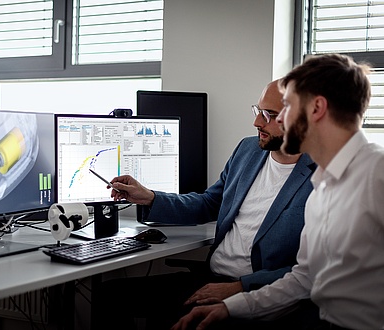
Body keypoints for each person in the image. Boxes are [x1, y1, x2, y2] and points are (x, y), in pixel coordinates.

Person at [171, 54, 384, 330]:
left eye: (287, 108)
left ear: (317, 108)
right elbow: (305, 277)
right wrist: (229, 308)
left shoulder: (376, 173)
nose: (279, 119)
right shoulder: (322, 184)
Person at [93, 80, 317, 330]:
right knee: (110, 294)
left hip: (261, 292)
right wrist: (149, 197)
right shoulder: (248, 150)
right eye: (258, 111)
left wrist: (240, 287)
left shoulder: (327, 177)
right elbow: (209, 203)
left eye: (270, 115)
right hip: (210, 279)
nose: (257, 123)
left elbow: (315, 270)